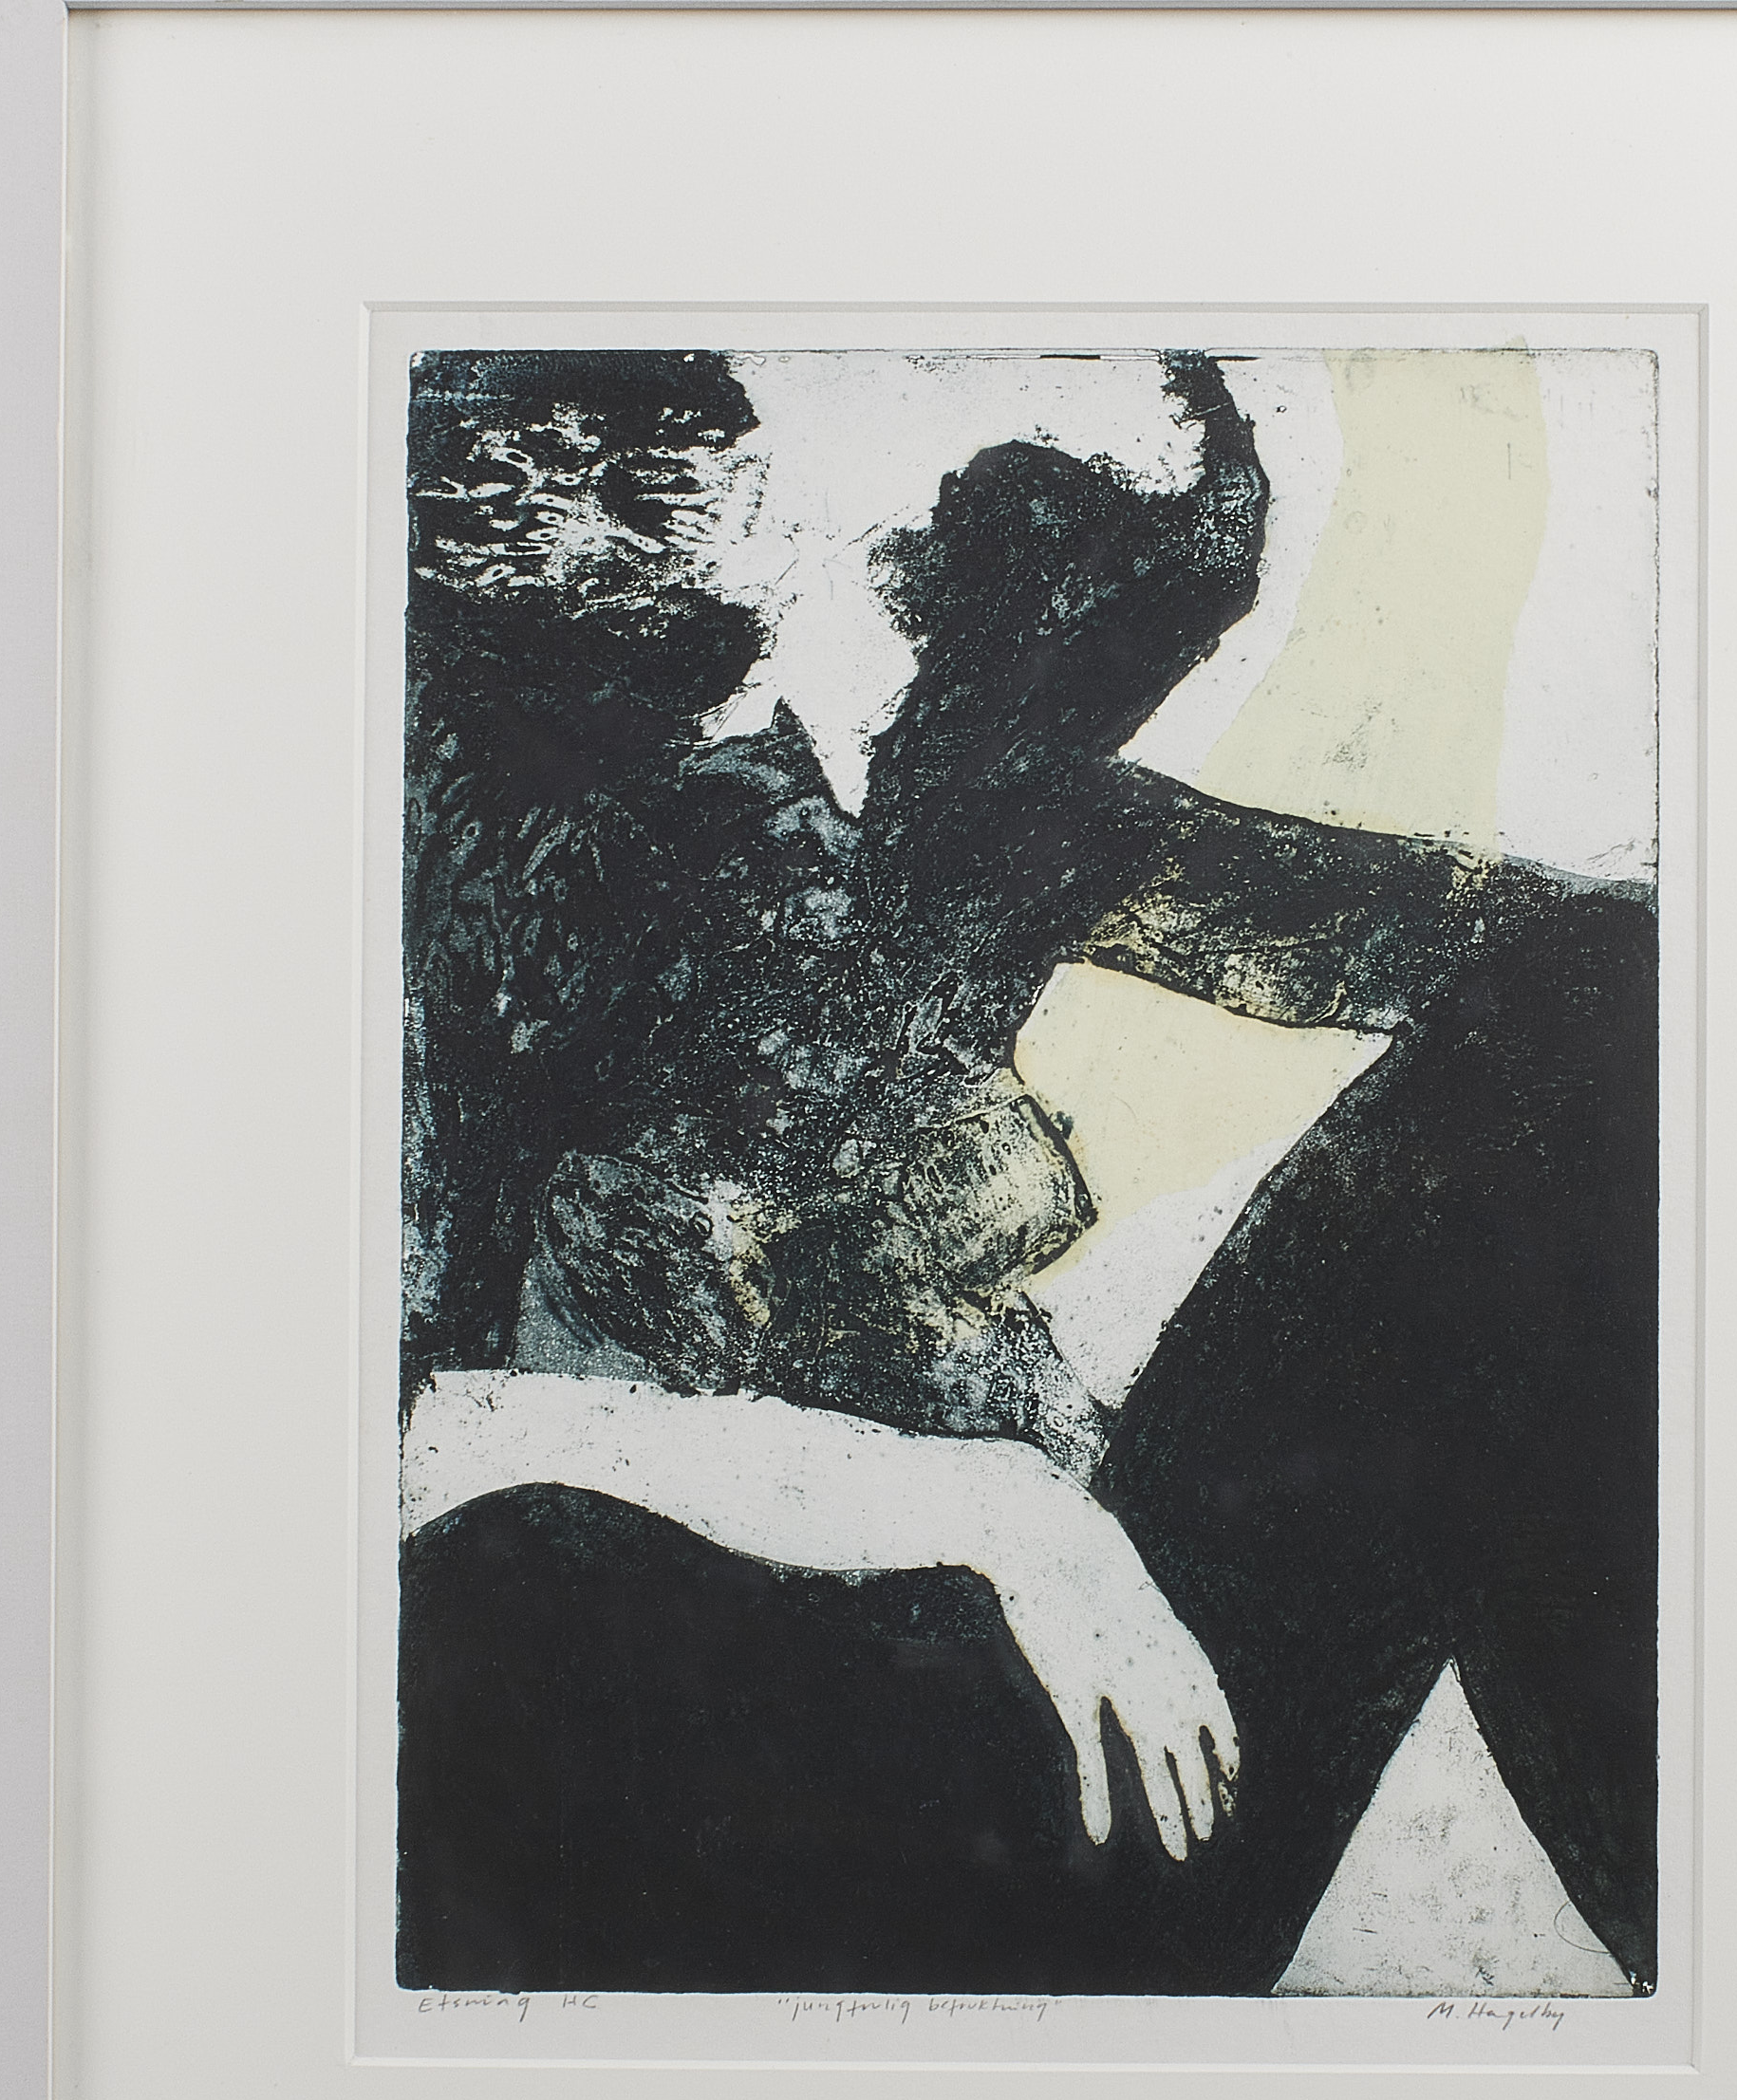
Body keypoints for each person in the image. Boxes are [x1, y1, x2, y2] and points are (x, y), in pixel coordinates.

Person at [394, 347, 1657, 1998]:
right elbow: (395, 1433)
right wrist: (993, 1507)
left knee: (1606, 991)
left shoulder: (992, 822)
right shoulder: (490, 840)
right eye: (1071, 552)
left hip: (1082, 1719)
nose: (1149, 639)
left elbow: (1482, 947)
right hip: (742, 1781)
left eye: (1193, 576)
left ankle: (1726, 1966)